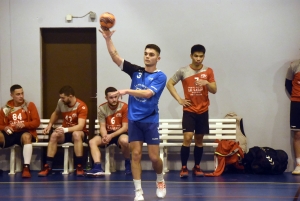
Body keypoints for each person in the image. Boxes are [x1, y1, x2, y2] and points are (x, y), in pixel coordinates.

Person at [99, 28, 167, 200]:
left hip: (150, 120)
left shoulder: (160, 76)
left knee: (153, 157)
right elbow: (115, 57)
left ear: (158, 58)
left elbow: (148, 94)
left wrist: (126, 90)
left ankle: (160, 179)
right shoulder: (135, 71)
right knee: (135, 155)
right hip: (134, 120)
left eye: (151, 54)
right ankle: (138, 191)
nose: (147, 56)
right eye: (145, 53)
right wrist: (108, 39)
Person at [166, 44, 217, 178]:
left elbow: (214, 90)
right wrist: (179, 99)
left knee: (199, 139)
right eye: (196, 56)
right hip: (189, 110)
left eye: (201, 56)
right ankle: (184, 168)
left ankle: (197, 166)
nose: (198, 58)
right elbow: (169, 83)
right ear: (191, 56)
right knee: (187, 138)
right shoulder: (183, 71)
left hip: (203, 110)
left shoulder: (208, 71)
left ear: (204, 57)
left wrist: (206, 83)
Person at [38, 85, 88, 177]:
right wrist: (49, 125)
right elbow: (56, 113)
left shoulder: (81, 106)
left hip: (78, 132)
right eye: (60, 97)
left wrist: (65, 129)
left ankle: (79, 166)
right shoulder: (61, 102)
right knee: (54, 135)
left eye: (63, 97)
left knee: (76, 134)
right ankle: (48, 166)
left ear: (70, 96)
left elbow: (80, 126)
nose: (61, 99)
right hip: (65, 131)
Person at [86, 86, 131, 177]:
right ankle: (97, 167)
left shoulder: (124, 107)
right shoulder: (102, 108)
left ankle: (128, 164)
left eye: (115, 97)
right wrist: (105, 136)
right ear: (106, 98)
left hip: (120, 133)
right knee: (92, 142)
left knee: (125, 141)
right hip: (108, 133)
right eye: (111, 97)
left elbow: (125, 127)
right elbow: (102, 126)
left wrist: (112, 136)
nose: (114, 99)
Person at [0, 84, 40, 178]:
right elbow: (0, 124)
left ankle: (26, 167)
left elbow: (36, 122)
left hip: (24, 132)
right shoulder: (6, 108)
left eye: (22, 93)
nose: (21, 96)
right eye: (18, 94)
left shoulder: (29, 105)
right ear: (12, 95)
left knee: (26, 137)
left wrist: (25, 124)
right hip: (10, 133)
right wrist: (5, 128)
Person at [285, 59, 300, 175]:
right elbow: (288, 84)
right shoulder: (294, 66)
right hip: (297, 103)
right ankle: (299, 164)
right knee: (298, 134)